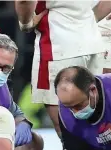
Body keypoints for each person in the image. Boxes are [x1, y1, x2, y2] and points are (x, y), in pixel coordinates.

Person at [15, 0, 106, 138]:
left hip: (58, 46)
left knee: (66, 131)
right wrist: (85, 20)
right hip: (93, 42)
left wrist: (26, 23)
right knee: (96, 123)